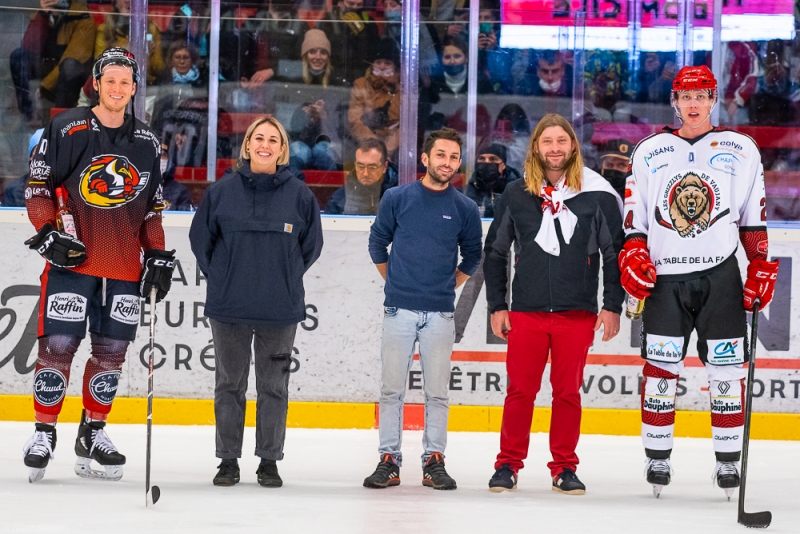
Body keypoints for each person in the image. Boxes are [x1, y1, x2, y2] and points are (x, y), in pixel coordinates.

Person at [620, 65, 779, 499]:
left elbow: (752, 215)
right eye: (685, 96)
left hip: (720, 276)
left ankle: (727, 464)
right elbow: (635, 217)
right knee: (660, 371)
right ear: (675, 100)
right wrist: (633, 250)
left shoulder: (741, 148)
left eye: (702, 95)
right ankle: (658, 456)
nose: (693, 104)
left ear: (713, 99)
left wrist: (760, 264)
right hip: (665, 280)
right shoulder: (649, 150)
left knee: (726, 371)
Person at [21, 48, 174, 483]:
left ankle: (92, 432)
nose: (118, 88)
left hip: (124, 267)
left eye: (126, 82)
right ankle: (44, 431)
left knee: (111, 355)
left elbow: (152, 211)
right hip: (74, 262)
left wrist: (158, 254)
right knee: (60, 347)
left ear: (134, 87)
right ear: (96, 82)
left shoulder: (147, 143)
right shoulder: (66, 127)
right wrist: (48, 232)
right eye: (111, 80)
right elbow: (38, 189)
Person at [483, 113, 624, 495]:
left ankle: (564, 467)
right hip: (526, 312)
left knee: (567, 394)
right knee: (520, 392)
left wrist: (613, 305)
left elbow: (615, 255)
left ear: (573, 146)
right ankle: (508, 464)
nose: (555, 148)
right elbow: (495, 253)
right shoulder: (516, 193)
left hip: (576, 313)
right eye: (548, 142)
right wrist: (498, 305)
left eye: (562, 141)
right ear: (536, 148)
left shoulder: (596, 195)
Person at [189, 116, 323, 488]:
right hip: (229, 307)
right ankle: (228, 460)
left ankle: (269, 460)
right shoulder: (222, 191)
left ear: (282, 150)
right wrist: (225, 277)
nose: (265, 145)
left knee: (274, 387)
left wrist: (282, 278)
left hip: (280, 310)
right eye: (258, 138)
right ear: (247, 146)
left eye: (273, 140)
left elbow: (310, 248)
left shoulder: (300, 195)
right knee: (229, 384)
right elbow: (202, 242)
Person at [365, 127, 482, 490]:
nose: (447, 162)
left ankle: (434, 460)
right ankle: (389, 459)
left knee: (437, 392)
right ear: (426, 158)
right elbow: (377, 242)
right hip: (398, 310)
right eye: (441, 155)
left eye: (453, 157)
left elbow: (474, 255)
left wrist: (449, 285)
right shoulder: (397, 198)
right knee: (391, 390)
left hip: (441, 314)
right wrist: (395, 281)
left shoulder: (464, 208)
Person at [10, 0, 96, 119]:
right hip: (48, 69)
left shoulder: (83, 17)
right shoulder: (40, 15)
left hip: (71, 80)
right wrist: (43, 16)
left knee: (68, 66)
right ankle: (28, 114)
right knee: (18, 56)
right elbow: (28, 47)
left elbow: (74, 57)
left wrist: (44, 86)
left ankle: (60, 121)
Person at [287, 29, 347, 172]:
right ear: (305, 55)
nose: (318, 57)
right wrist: (307, 119)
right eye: (312, 51)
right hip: (301, 141)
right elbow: (290, 129)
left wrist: (324, 118)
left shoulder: (337, 84)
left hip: (330, 142)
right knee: (299, 151)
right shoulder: (294, 82)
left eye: (323, 52)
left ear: (328, 56)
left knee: (322, 151)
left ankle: (332, 192)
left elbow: (342, 129)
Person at [348, 39, 401, 158]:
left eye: (387, 63)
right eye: (378, 62)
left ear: (395, 66)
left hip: (395, 149)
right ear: (372, 64)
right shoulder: (360, 84)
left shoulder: (403, 88)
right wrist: (375, 146)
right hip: (366, 145)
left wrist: (388, 149)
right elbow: (354, 120)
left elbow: (405, 126)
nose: (382, 67)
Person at [94, 0, 164, 86]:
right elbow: (100, 66)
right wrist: (128, 52)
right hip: (113, 84)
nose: (128, 1)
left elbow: (158, 68)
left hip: (145, 85)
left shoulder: (151, 29)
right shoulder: (104, 30)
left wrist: (145, 57)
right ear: (115, 3)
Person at [326, 138, 397, 215]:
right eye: (360, 166)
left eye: (372, 167)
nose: (365, 173)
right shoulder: (339, 199)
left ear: (384, 167)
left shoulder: (398, 194)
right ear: (355, 165)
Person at [317, 0, 380, 83]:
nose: (355, 8)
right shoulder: (327, 23)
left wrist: (362, 33)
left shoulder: (368, 23)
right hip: (333, 74)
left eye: (359, 5)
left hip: (360, 74)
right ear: (340, 3)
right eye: (351, 4)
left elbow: (371, 55)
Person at [466, 143, 521, 218]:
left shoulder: (517, 187)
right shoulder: (474, 184)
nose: (487, 162)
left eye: (493, 159)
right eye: (482, 159)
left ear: (504, 165)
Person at [2, 129, 45, 207]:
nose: (44, 158)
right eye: (39, 153)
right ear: (31, 157)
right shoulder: (14, 191)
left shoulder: (67, 189)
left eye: (50, 153)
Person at [159, 142, 192, 211]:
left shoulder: (180, 191)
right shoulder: (139, 190)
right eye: (155, 154)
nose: (159, 159)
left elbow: (185, 218)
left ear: (169, 160)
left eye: (163, 155)